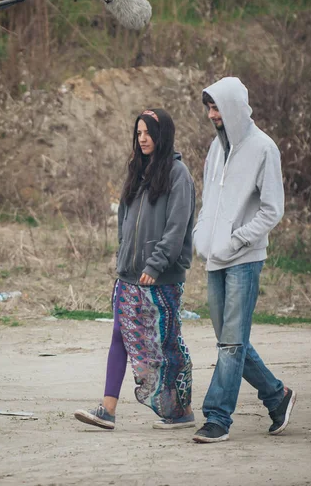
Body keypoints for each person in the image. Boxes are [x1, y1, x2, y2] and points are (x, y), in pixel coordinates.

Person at [74, 108, 196, 431]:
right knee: (119, 335)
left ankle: (180, 410)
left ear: (162, 135)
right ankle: (107, 410)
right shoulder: (136, 171)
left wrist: (155, 264)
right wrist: (122, 259)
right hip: (129, 276)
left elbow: (176, 227)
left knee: (166, 344)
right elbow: (124, 224)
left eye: (148, 133)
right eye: (138, 133)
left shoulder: (177, 174)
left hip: (161, 278)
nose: (142, 139)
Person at [192, 77, 296, 444]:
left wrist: (236, 240)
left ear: (234, 106)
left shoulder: (264, 148)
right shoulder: (215, 149)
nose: (211, 115)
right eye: (208, 108)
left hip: (245, 258)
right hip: (214, 257)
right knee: (229, 340)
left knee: (232, 343)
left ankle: (217, 417)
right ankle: (276, 396)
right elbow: (208, 200)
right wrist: (201, 237)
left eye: (217, 107)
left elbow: (273, 210)